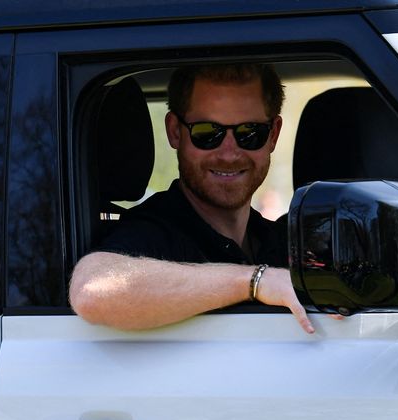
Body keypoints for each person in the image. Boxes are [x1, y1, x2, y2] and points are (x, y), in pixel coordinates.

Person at [69, 63, 319, 334]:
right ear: (175, 131)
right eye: (207, 133)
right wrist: (255, 281)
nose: (229, 154)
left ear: (273, 135)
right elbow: (91, 290)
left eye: (250, 133)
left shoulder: (284, 242)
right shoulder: (151, 233)